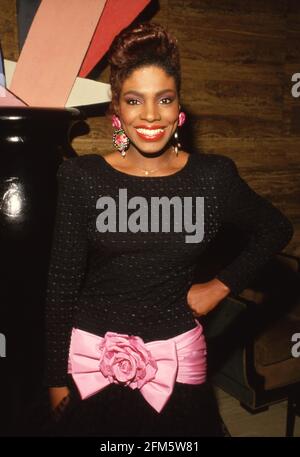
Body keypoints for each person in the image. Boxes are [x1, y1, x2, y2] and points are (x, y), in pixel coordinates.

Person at [43, 22, 293, 437]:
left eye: (164, 98)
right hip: (91, 359)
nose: (150, 115)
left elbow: (274, 229)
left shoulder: (212, 178)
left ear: (179, 108)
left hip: (176, 360)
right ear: (117, 110)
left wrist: (219, 286)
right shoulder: (82, 177)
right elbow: (61, 285)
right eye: (134, 100)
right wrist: (54, 378)